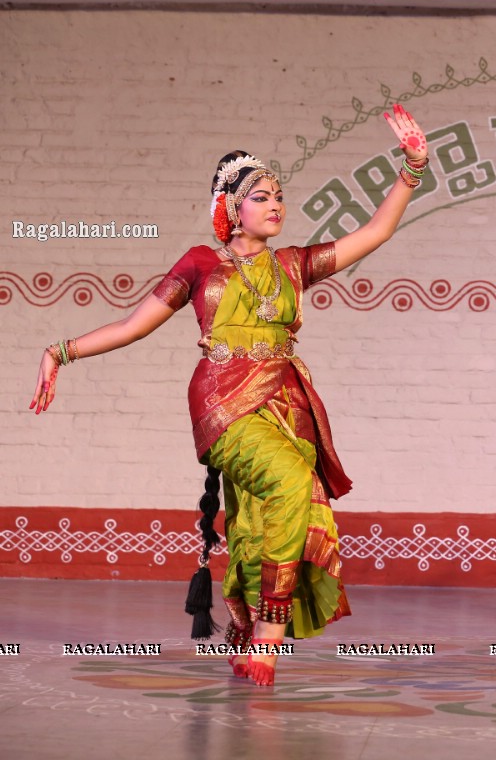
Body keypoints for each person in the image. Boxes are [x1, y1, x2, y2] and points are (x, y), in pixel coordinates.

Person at [30, 104, 430, 686]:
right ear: (232, 209)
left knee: (259, 518)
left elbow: (376, 232)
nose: (276, 205)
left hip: (283, 403)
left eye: (279, 197)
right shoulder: (200, 264)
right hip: (221, 403)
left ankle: (243, 635)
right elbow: (133, 325)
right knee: (291, 481)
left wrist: (412, 169)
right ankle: (270, 631)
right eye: (262, 196)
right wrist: (59, 351)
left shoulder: (294, 266)